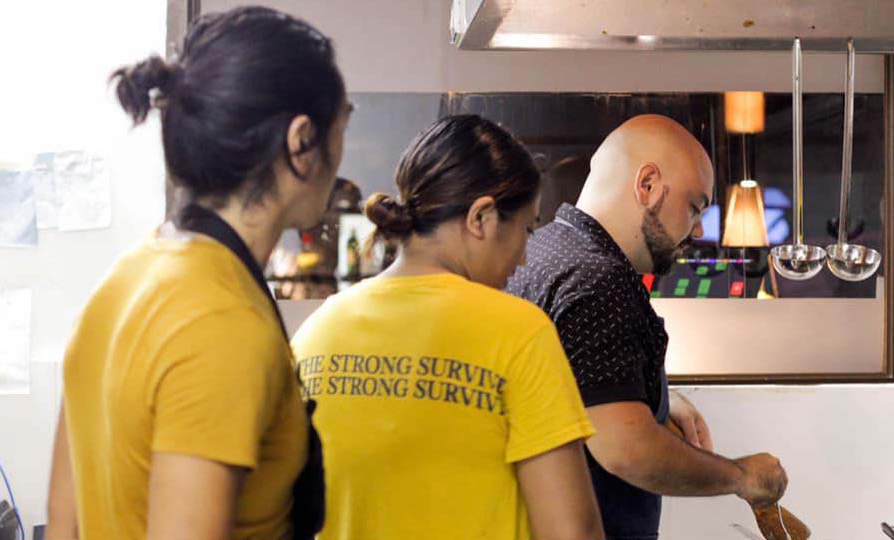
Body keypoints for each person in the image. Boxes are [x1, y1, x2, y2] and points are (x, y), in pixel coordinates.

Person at [46, 7, 351, 540]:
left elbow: (63, 526)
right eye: (343, 124)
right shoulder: (221, 322)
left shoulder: (125, 277)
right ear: (301, 142)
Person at [291, 115, 604, 540]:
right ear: (481, 217)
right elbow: (571, 532)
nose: (523, 259)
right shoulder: (518, 332)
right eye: (526, 230)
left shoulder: (316, 333)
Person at [507, 114, 788, 540]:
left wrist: (645, 395)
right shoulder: (599, 279)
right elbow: (626, 450)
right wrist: (741, 476)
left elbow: (569, 387)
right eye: (694, 207)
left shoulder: (539, 254)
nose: (697, 229)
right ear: (648, 185)